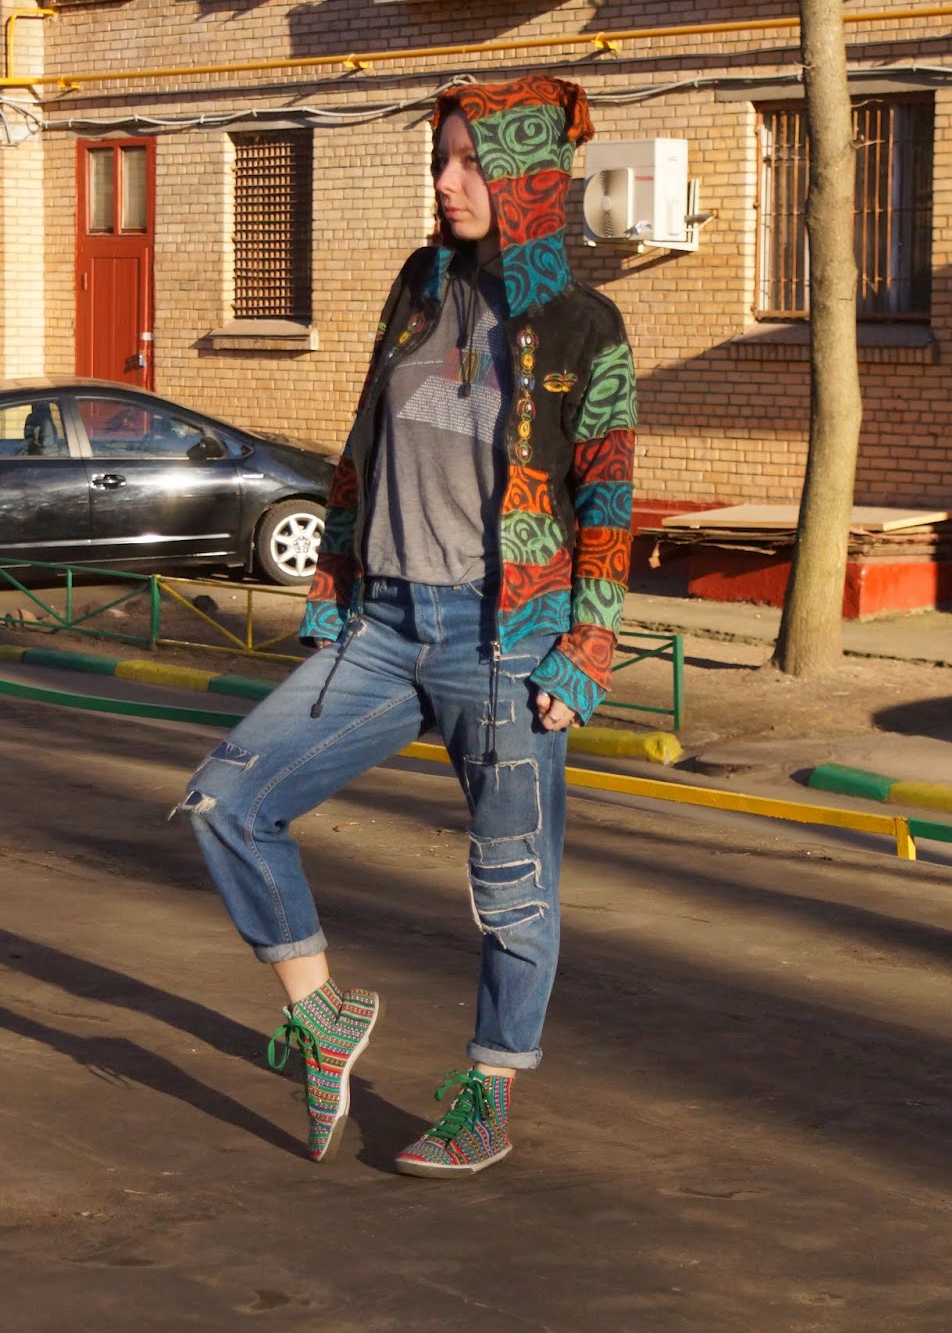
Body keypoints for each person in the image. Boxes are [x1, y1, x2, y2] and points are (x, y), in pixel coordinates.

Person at [176, 75, 636, 1178]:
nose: (446, 180)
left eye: (471, 160)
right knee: (227, 800)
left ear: (528, 170)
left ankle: (487, 1095)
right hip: (381, 626)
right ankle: (321, 1014)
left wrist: (588, 644)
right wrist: (334, 583)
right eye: (441, 159)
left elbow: (608, 495)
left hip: (504, 640)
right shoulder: (418, 286)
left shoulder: (585, 325)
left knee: (514, 890)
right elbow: (359, 443)